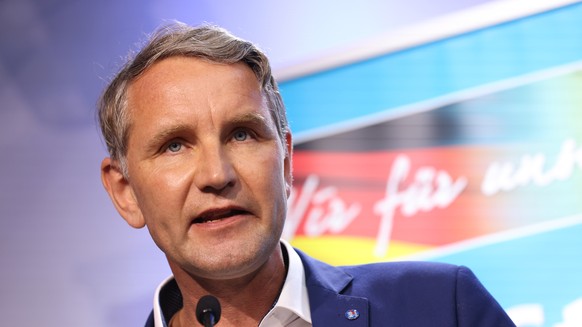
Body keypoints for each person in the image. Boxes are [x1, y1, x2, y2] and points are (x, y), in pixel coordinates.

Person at [98, 22, 516, 327]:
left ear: (285, 162)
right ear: (126, 192)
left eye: (242, 134)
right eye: (175, 145)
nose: (216, 174)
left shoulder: (442, 307)